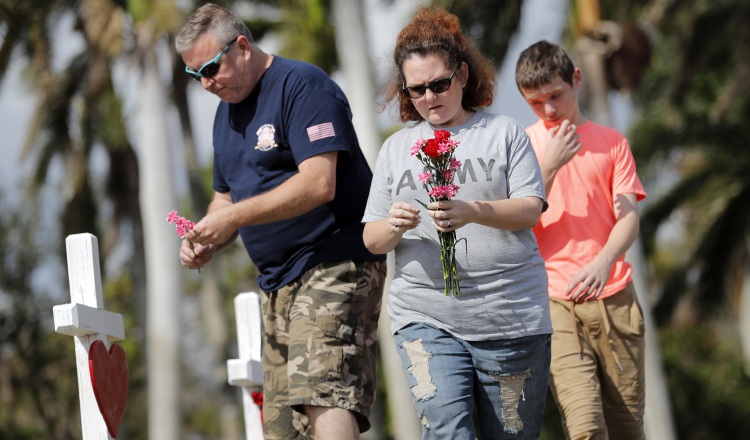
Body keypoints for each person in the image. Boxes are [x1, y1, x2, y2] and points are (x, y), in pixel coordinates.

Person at [174, 4, 386, 439]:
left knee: (323, 391)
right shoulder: (224, 116)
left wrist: (232, 216)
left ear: (243, 47)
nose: (207, 84)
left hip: (335, 260)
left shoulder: (303, 86)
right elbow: (224, 196)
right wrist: (207, 237)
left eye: (211, 68)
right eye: (195, 76)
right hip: (276, 282)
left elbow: (318, 183)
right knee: (284, 427)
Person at [362, 7, 552, 439]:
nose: (429, 97)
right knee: (448, 432)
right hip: (425, 318)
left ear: (463, 76)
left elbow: (531, 208)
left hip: (511, 319)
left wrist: (474, 211)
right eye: (416, 89)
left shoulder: (504, 133)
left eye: (439, 84)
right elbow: (372, 239)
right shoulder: (395, 150)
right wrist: (395, 225)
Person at [515, 40, 648, 440]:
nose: (549, 110)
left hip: (615, 298)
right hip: (555, 302)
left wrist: (604, 260)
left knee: (627, 428)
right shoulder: (521, 148)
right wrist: (549, 167)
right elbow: (518, 225)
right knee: (586, 427)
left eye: (555, 95)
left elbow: (628, 217)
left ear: (576, 79)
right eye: (536, 103)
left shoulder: (612, 142)